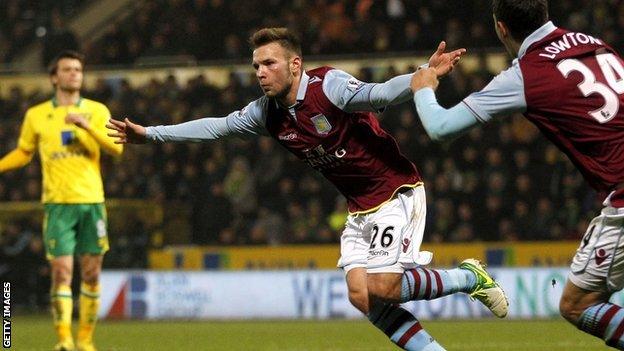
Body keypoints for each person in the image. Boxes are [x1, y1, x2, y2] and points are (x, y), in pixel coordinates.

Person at [107, 28, 508, 351]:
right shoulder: (266, 113)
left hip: (395, 191)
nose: (260, 72)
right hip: (359, 208)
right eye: (256, 66)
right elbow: (216, 127)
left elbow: (380, 92)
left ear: (294, 64)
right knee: (362, 296)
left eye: (269, 63)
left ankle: (468, 278)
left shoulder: (328, 86)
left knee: (383, 286)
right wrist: (151, 135)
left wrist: (423, 75)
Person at [410, 0, 624, 349]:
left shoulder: (526, 74)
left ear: (501, 28)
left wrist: (423, 86)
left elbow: (441, 127)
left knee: (577, 304)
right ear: (544, 13)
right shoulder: (593, 43)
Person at [0, 50, 123, 351]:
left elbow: (116, 149)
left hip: (92, 202)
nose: (74, 74)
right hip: (57, 205)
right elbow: (24, 153)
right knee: (62, 273)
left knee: (92, 273)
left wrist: (86, 126)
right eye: (67, 69)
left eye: (78, 70)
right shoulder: (37, 115)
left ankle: (86, 340)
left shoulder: (96, 110)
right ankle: (65, 340)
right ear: (54, 77)